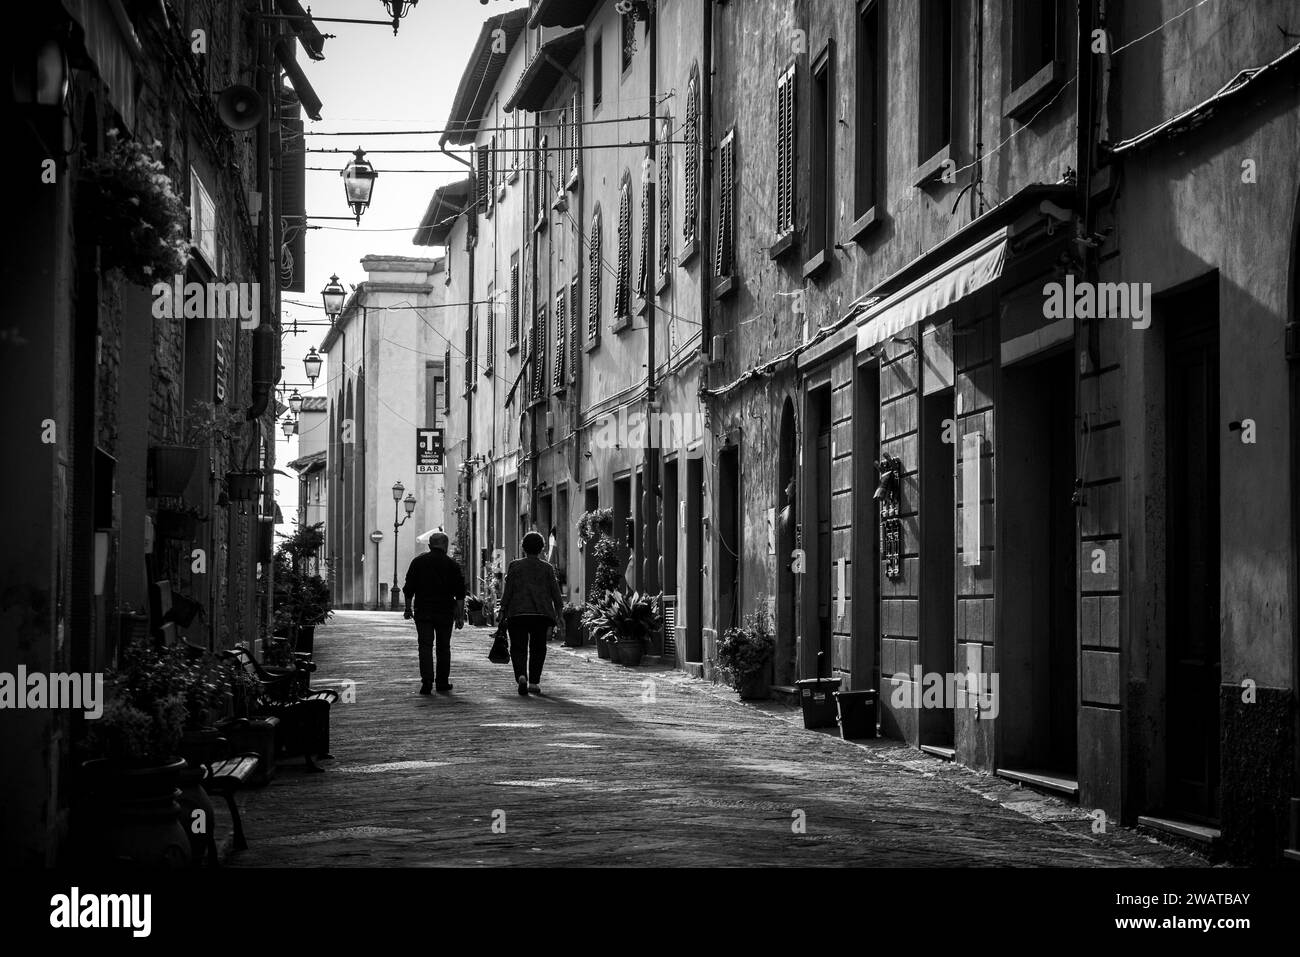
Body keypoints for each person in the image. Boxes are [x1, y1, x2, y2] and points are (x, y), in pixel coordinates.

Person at [499, 531, 564, 696]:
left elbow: (509, 590)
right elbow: (555, 593)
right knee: (538, 648)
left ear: (523, 547)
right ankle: (534, 682)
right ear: (542, 548)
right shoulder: (547, 568)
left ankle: (521, 675)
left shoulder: (515, 566)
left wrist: (502, 609)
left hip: (517, 612)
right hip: (540, 614)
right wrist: (560, 614)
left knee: (518, 647)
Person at [403, 531, 465, 694]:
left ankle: (427, 681)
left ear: (430, 546)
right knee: (443, 647)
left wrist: (408, 608)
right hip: (445, 611)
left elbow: (409, 588)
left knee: (424, 646)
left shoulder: (418, 562)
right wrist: (459, 616)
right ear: (445, 545)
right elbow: (460, 593)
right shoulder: (452, 565)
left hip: (423, 610)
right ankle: (442, 682)